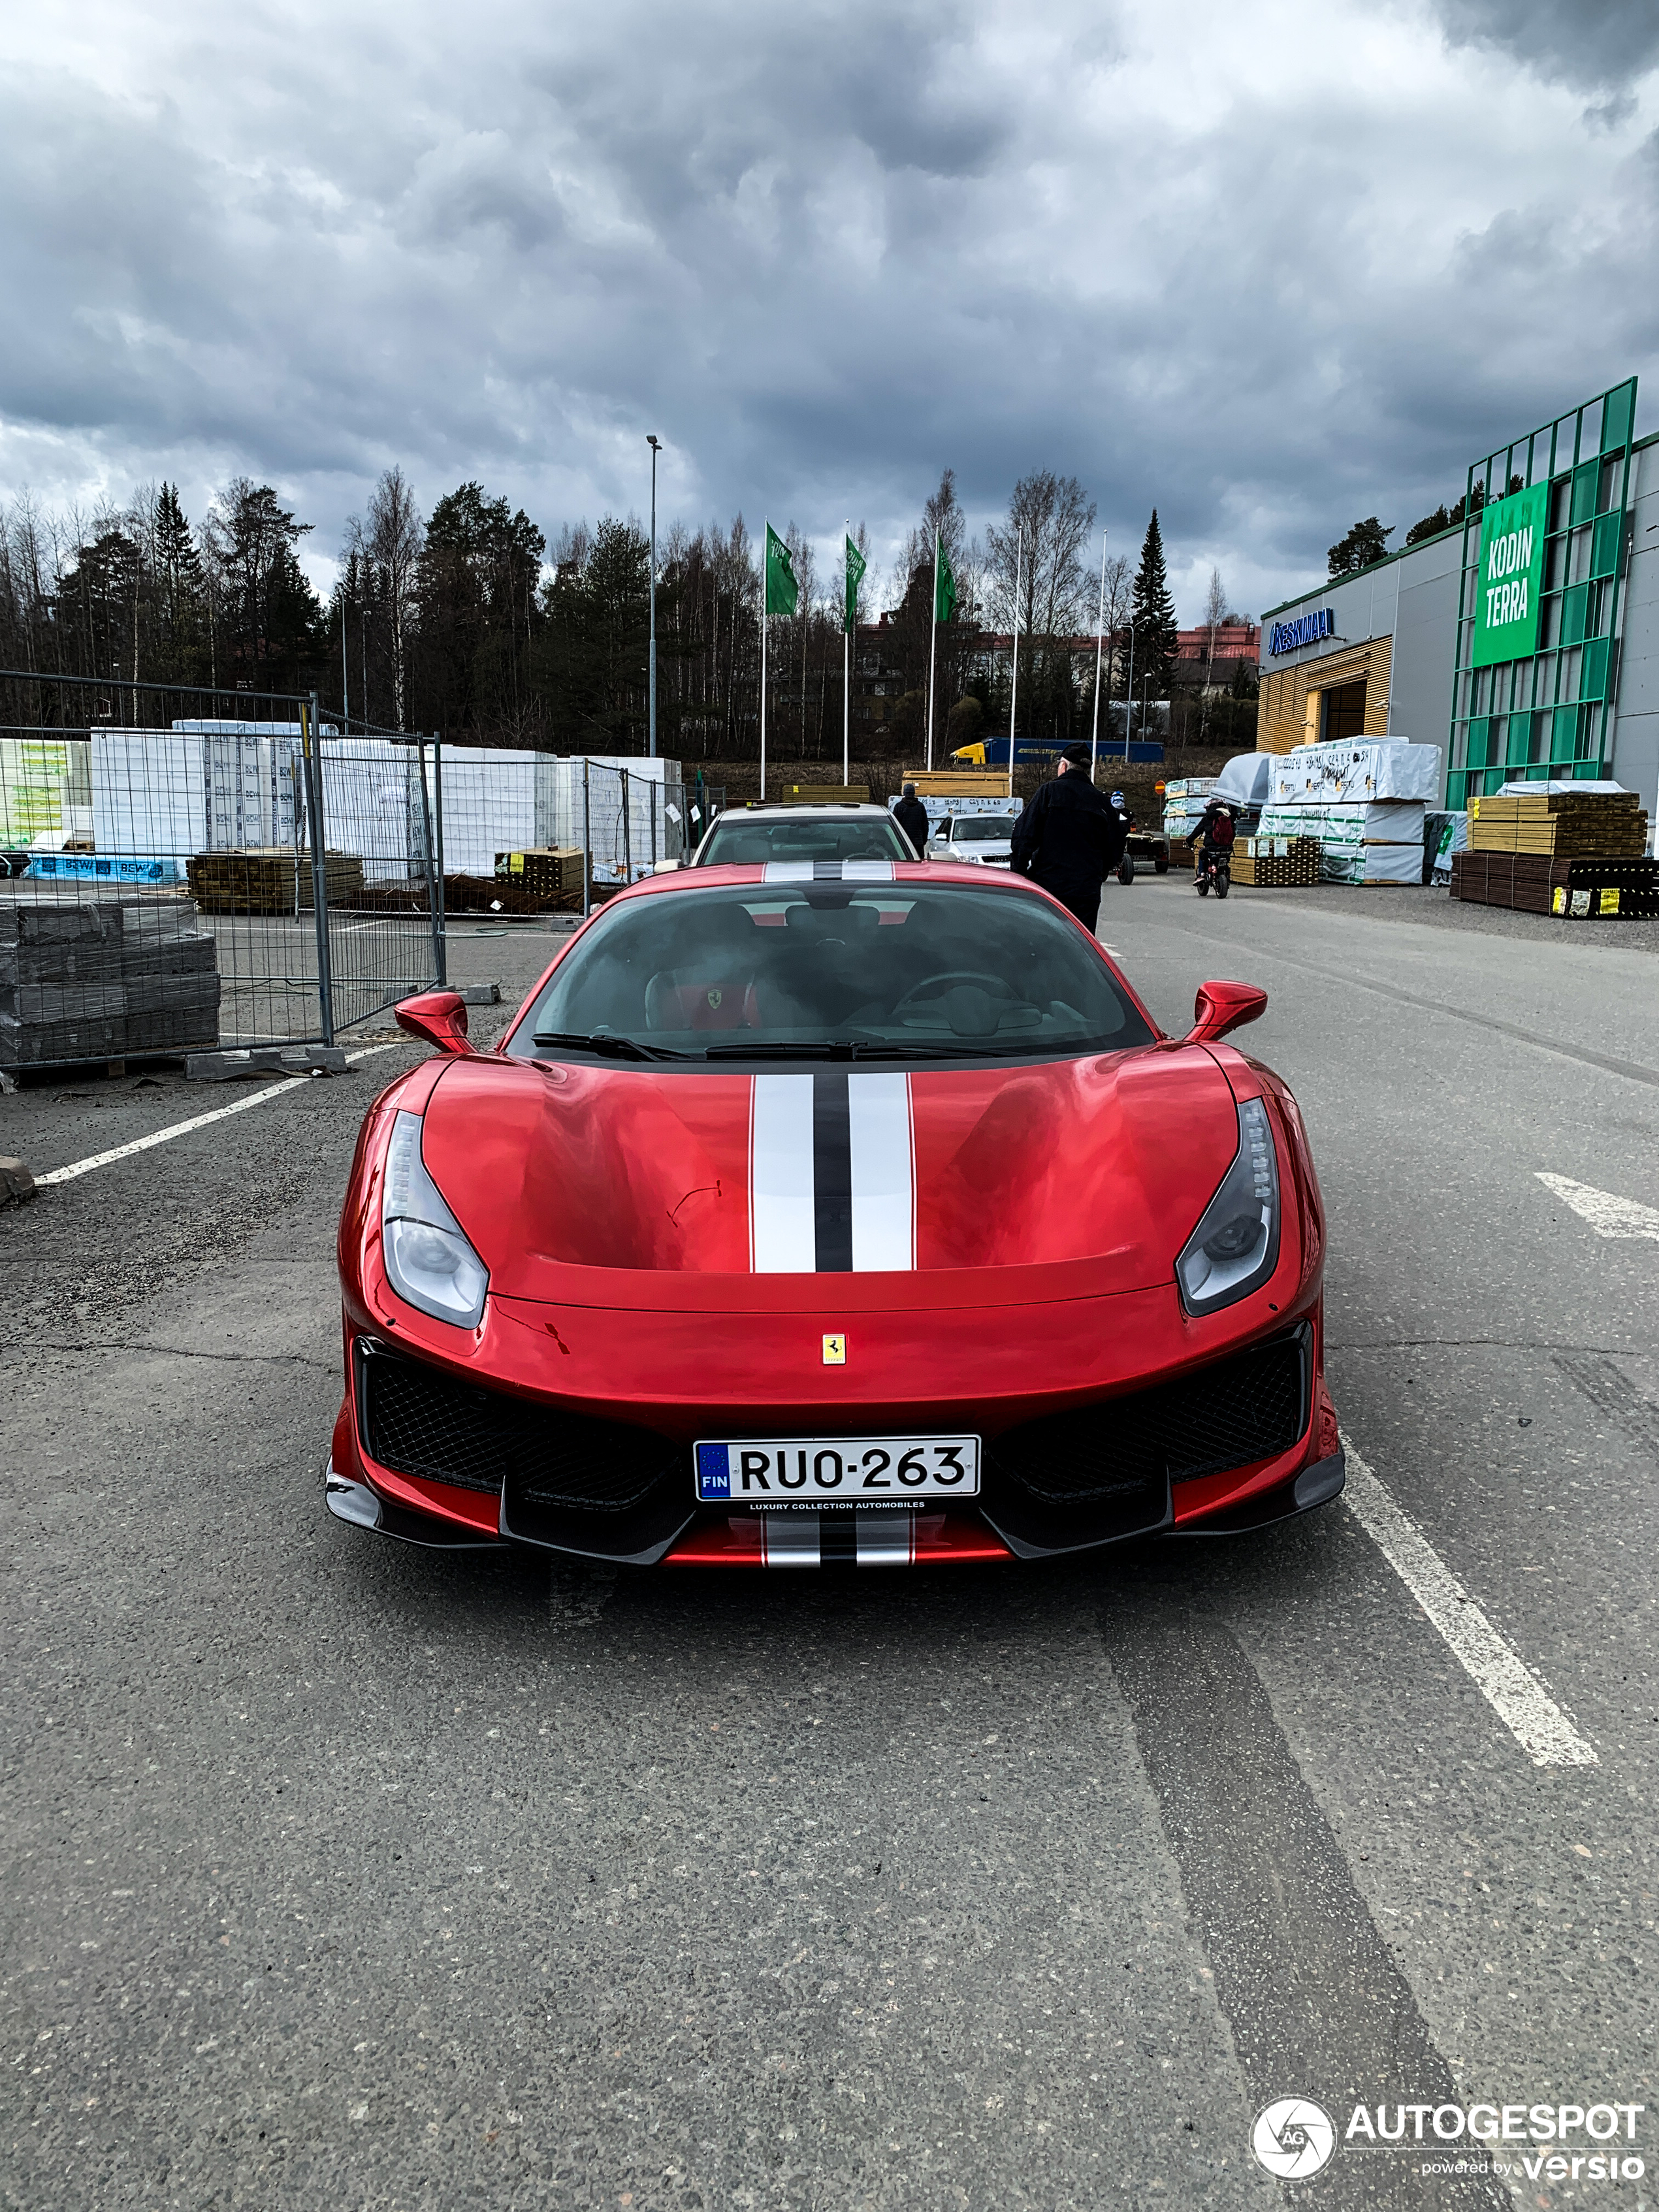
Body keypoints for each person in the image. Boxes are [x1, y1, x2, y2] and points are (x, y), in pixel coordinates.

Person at [1010, 743, 1116, 931]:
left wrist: (1020, 873)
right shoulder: (1102, 802)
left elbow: (1023, 836)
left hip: (1048, 887)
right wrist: (1099, 874)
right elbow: (1115, 847)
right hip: (1086, 892)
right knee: (1081, 946)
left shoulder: (1048, 793)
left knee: (1044, 942)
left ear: (1064, 766)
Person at [1195, 800, 1236, 886]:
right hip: (1227, 849)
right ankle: (1226, 873)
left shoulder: (1207, 818)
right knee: (1226, 860)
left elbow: (1197, 831)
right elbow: (1233, 833)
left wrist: (1188, 841)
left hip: (1212, 849)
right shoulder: (1229, 817)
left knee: (1202, 854)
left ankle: (1202, 874)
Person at [892, 781, 929, 858]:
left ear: (904, 793)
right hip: (918, 842)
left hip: (903, 842)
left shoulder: (899, 807)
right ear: (914, 793)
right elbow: (925, 825)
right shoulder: (920, 807)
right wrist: (924, 840)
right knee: (919, 863)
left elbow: (895, 826)